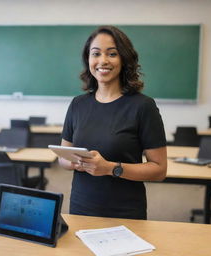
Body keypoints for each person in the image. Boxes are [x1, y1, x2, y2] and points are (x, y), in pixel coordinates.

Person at [59, 25, 167, 220]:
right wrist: (78, 163)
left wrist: (109, 168)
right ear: (88, 60)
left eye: (112, 54)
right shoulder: (77, 104)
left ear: (124, 59)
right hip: (80, 208)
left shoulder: (143, 106)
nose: (103, 61)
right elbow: (62, 158)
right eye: (96, 54)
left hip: (124, 212)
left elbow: (159, 169)